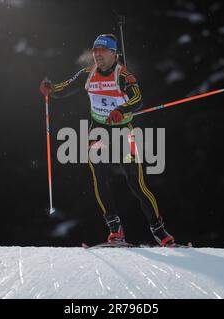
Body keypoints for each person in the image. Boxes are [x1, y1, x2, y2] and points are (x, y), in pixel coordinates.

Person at [40, 34, 176, 247]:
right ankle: (115, 230)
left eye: (102, 51)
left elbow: (137, 99)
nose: (97, 55)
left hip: (123, 131)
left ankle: (159, 232)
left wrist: (122, 109)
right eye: (95, 52)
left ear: (114, 54)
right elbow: (64, 88)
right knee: (100, 179)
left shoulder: (124, 76)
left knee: (136, 184)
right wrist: (51, 88)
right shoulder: (88, 73)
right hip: (98, 131)